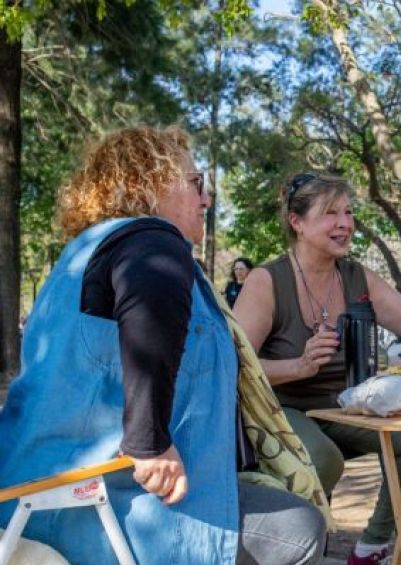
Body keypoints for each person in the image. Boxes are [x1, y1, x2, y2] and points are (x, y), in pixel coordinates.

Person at [0, 127, 326, 564]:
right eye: (195, 184)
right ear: (148, 185)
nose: (205, 199)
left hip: (31, 496)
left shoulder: (80, 253)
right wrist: (148, 444)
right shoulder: (150, 238)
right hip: (99, 508)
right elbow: (149, 306)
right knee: (301, 530)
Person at [233, 173, 401, 565]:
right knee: (322, 459)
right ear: (297, 222)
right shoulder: (267, 280)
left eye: (348, 212)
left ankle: (374, 545)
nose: (345, 223)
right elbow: (234, 365)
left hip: (346, 405)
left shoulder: (356, 276)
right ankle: (298, 548)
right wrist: (298, 365)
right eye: (331, 213)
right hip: (281, 409)